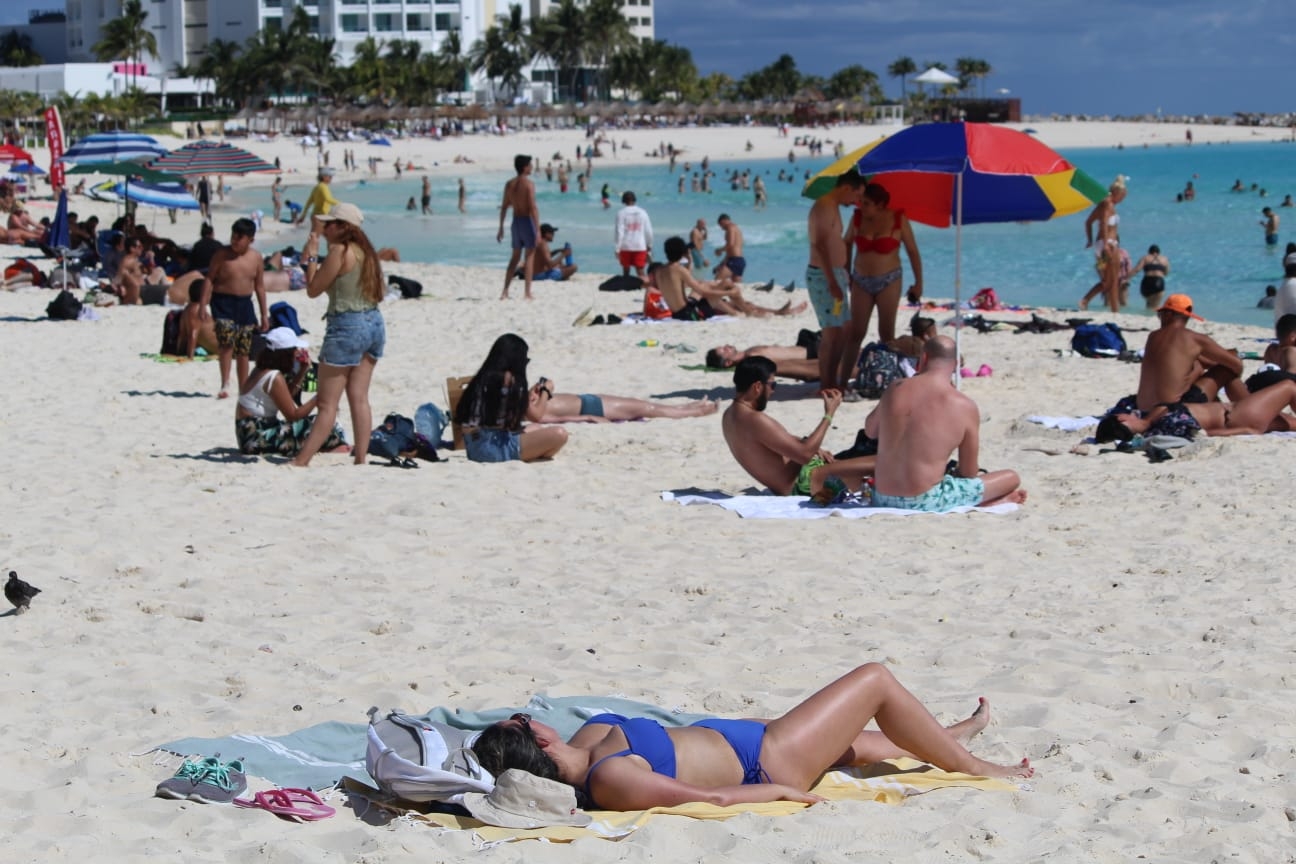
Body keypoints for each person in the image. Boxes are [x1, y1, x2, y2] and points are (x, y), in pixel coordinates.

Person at [472, 663, 1031, 811]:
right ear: (539, 743)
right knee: (873, 681)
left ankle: (950, 737)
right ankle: (972, 764)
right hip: (768, 763)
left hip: (748, 739)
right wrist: (782, 793)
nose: (531, 714)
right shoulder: (609, 777)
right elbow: (710, 798)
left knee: (852, 741)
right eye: (524, 720)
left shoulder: (591, 734)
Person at [863, 336, 1026, 511]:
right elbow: (969, 472)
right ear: (956, 365)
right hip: (925, 500)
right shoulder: (964, 405)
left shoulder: (895, 388)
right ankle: (987, 502)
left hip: (881, 496)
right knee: (1011, 477)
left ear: (923, 358)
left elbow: (870, 431)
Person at [290, 203, 385, 466]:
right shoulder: (365, 252)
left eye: (329, 224)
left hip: (347, 325)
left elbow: (313, 289)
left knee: (327, 403)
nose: (325, 228)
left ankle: (301, 461)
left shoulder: (339, 251)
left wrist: (311, 257)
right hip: (373, 322)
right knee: (359, 396)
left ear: (343, 227)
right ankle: (361, 459)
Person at [721, 357, 875, 501]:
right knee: (877, 463)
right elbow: (805, 455)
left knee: (866, 455)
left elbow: (774, 440)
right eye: (772, 385)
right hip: (808, 487)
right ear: (757, 387)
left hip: (804, 479)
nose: (773, 391)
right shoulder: (754, 420)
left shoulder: (731, 415)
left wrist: (807, 443)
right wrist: (829, 414)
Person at [840, 182, 924, 389]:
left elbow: (913, 251)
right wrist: (846, 272)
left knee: (886, 333)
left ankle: (889, 379)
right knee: (856, 333)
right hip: (860, 280)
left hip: (890, 279)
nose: (861, 206)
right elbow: (847, 243)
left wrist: (918, 283)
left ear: (880, 205)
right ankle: (841, 382)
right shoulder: (857, 218)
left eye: (866, 203)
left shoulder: (897, 219)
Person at [453, 333, 569, 463]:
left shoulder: (483, 377)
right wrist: (546, 391)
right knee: (560, 434)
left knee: (536, 429)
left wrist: (527, 395)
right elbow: (537, 416)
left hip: (474, 445)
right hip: (493, 447)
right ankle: (534, 454)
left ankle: (534, 453)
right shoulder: (511, 381)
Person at [235, 327, 350, 457]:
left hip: (248, 436)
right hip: (256, 439)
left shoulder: (261, 369)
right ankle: (328, 447)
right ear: (285, 354)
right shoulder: (274, 377)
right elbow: (293, 415)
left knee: (317, 423)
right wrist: (319, 397)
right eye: (295, 350)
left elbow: (285, 397)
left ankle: (325, 446)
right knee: (322, 424)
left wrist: (303, 370)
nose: (297, 353)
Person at [806, 171, 867, 391]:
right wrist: (832, 281)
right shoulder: (823, 206)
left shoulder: (833, 207)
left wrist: (843, 274)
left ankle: (832, 379)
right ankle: (826, 383)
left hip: (835, 273)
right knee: (832, 332)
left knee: (843, 330)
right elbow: (820, 246)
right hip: (823, 275)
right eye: (856, 195)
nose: (855, 202)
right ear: (847, 188)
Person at [1135, 293, 1245, 413]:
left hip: (1145, 409)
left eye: (1159, 315)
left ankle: (1225, 407)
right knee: (1226, 368)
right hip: (1173, 409)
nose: (1159, 318)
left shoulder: (1153, 336)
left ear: (1168, 314)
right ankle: (1246, 411)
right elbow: (1237, 364)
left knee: (1197, 367)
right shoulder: (1195, 339)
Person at [653, 238, 805, 320]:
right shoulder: (678, 269)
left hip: (679, 312)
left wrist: (691, 262)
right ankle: (757, 313)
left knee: (724, 287)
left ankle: (775, 312)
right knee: (728, 289)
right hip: (689, 314)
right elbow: (701, 291)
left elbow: (678, 287)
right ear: (681, 253)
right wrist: (727, 293)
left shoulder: (660, 270)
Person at [1102, 377, 1296, 440]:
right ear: (1121, 419)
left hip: (1239, 413)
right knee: (1289, 386)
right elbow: (1206, 433)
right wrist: (1247, 431)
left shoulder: (1154, 427)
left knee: (1292, 424)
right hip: (1238, 416)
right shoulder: (1165, 425)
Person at [202, 218, 268, 399]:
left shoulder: (255, 258)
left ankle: (243, 387)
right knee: (226, 344)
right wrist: (203, 304)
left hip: (245, 304)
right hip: (222, 303)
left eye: (240, 238)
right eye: (233, 236)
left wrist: (264, 314)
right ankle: (225, 383)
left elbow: (260, 287)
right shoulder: (221, 255)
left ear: (251, 240)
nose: (234, 241)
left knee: (243, 350)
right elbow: (209, 279)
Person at [1079, 175, 1128, 312]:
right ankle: (1113, 310)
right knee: (1113, 282)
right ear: (1117, 193)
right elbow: (1104, 224)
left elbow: (1088, 222)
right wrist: (1106, 244)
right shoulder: (1108, 203)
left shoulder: (1104, 203)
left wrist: (1090, 240)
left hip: (1100, 245)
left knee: (1108, 281)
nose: (1123, 199)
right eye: (1123, 196)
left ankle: (1087, 301)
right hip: (1109, 245)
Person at [498, 155, 539, 300]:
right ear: (524, 167)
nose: (532, 167)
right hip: (527, 221)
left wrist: (501, 227)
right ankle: (527, 293)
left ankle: (505, 291)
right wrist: (538, 229)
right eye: (530, 165)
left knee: (514, 258)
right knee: (529, 257)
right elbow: (533, 207)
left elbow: (504, 207)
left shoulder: (509, 184)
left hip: (515, 222)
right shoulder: (529, 185)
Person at [538, 392, 717, 423]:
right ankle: (697, 412)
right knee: (647, 409)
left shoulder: (525, 404)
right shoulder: (531, 412)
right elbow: (552, 418)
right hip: (592, 409)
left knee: (642, 405)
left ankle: (682, 407)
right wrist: (587, 418)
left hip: (587, 400)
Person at [614, 191, 653, 278]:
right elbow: (648, 231)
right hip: (640, 245)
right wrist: (649, 244)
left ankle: (626, 286)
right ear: (635, 200)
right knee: (640, 270)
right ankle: (644, 286)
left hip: (625, 245)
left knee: (626, 270)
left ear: (623, 201)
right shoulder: (643, 212)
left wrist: (617, 248)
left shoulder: (621, 213)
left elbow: (619, 232)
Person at [178, 279, 218, 359]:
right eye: (210, 293)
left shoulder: (188, 309)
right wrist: (190, 357)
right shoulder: (196, 309)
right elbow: (193, 334)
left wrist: (179, 352)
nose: (211, 296)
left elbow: (183, 335)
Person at [1127, 244, 1171, 309]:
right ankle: (1152, 316)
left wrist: (1127, 277)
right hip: (1159, 281)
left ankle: (1147, 315)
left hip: (1147, 281)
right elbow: (1166, 273)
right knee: (1155, 305)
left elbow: (1137, 269)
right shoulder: (1165, 259)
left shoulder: (1145, 258)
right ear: (1159, 252)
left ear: (1149, 252)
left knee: (1149, 304)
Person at [713, 214, 746, 282]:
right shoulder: (737, 229)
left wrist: (719, 250)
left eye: (721, 225)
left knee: (717, 281)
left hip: (734, 260)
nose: (722, 228)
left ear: (725, 221)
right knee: (735, 286)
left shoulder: (730, 228)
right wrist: (720, 265)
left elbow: (730, 244)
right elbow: (730, 251)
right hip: (739, 260)